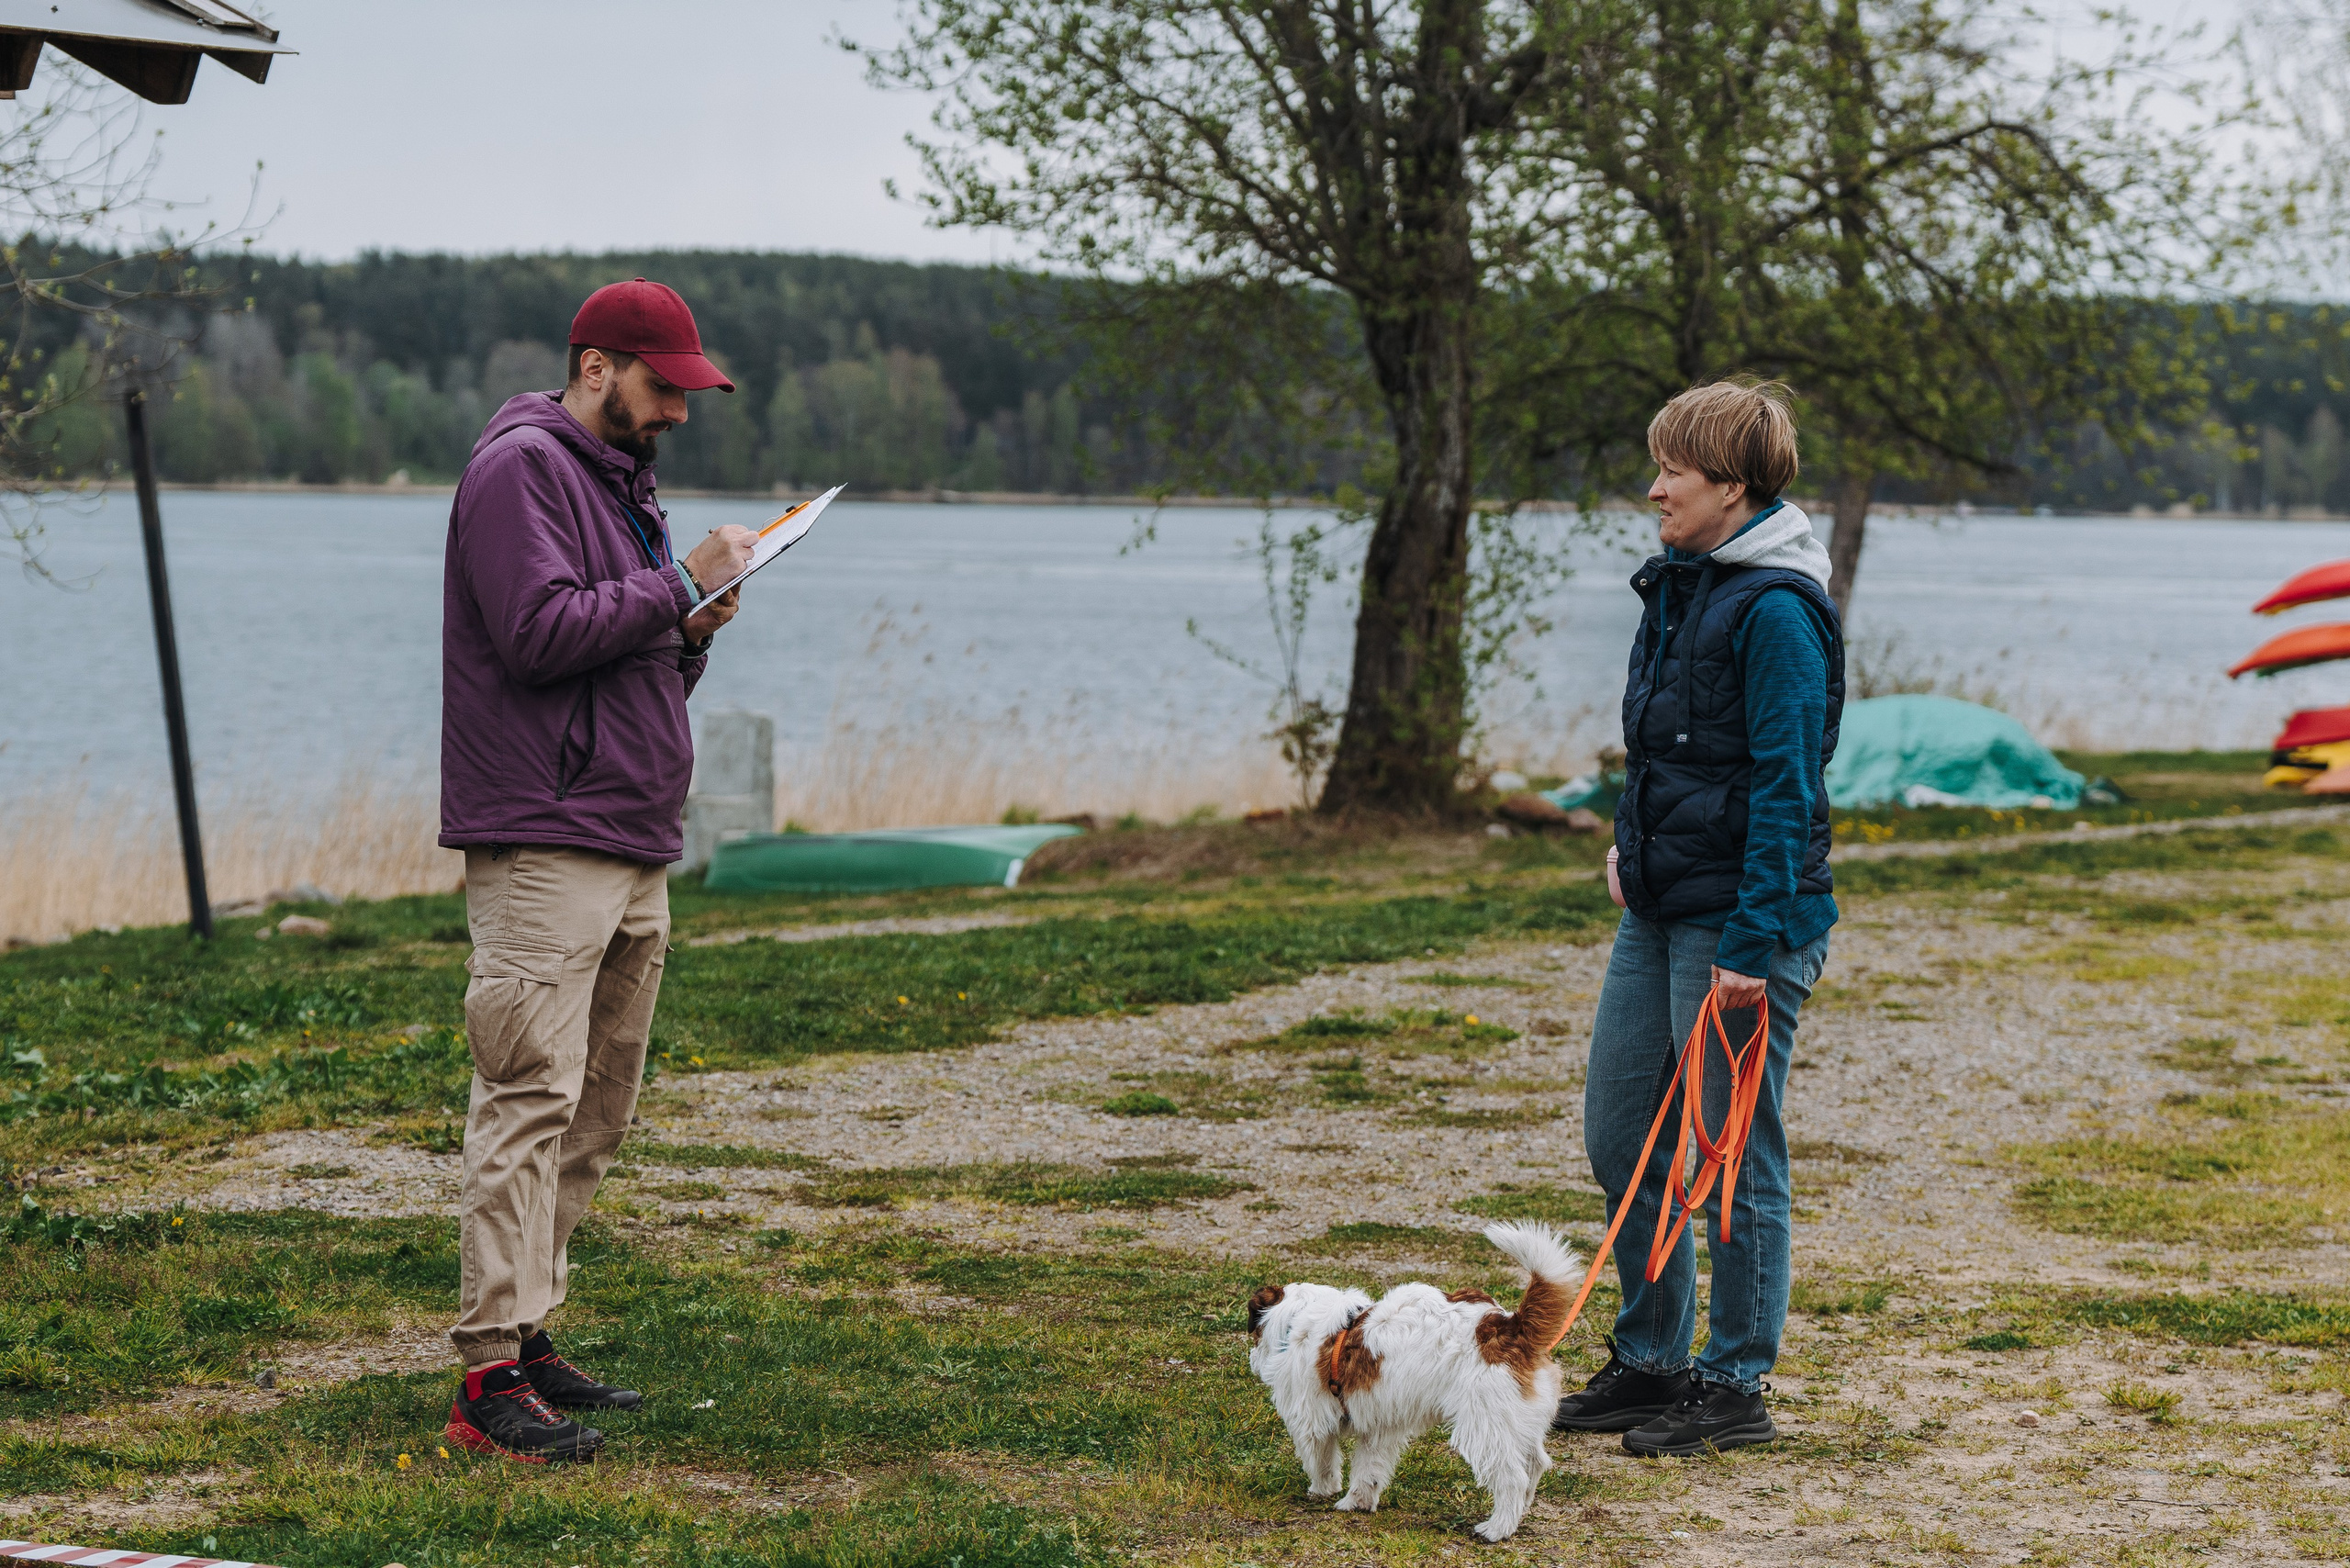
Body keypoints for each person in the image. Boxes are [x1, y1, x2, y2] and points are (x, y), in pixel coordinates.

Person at [437, 278, 757, 1463]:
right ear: (594, 367)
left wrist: (687, 629)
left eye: (685, 387)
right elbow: (532, 637)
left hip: (627, 829)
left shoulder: (620, 485)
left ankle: (530, 1331)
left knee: (596, 1102)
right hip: (544, 828)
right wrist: (675, 584)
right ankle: (484, 1378)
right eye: (663, 383)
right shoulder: (521, 469)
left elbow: (620, 657)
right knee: (527, 1094)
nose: (679, 407)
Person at [1554, 379, 1841, 1457]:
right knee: (1624, 1138)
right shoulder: (1681, 586)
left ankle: (1732, 1384)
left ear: (1731, 484)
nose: (1653, 486)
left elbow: (1788, 786)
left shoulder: (1774, 610)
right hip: (1663, 910)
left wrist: (1752, 946)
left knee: (1733, 1158)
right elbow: (1666, 748)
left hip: (1741, 931)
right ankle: (1650, 1362)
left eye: (1672, 468)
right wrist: (1631, 841)